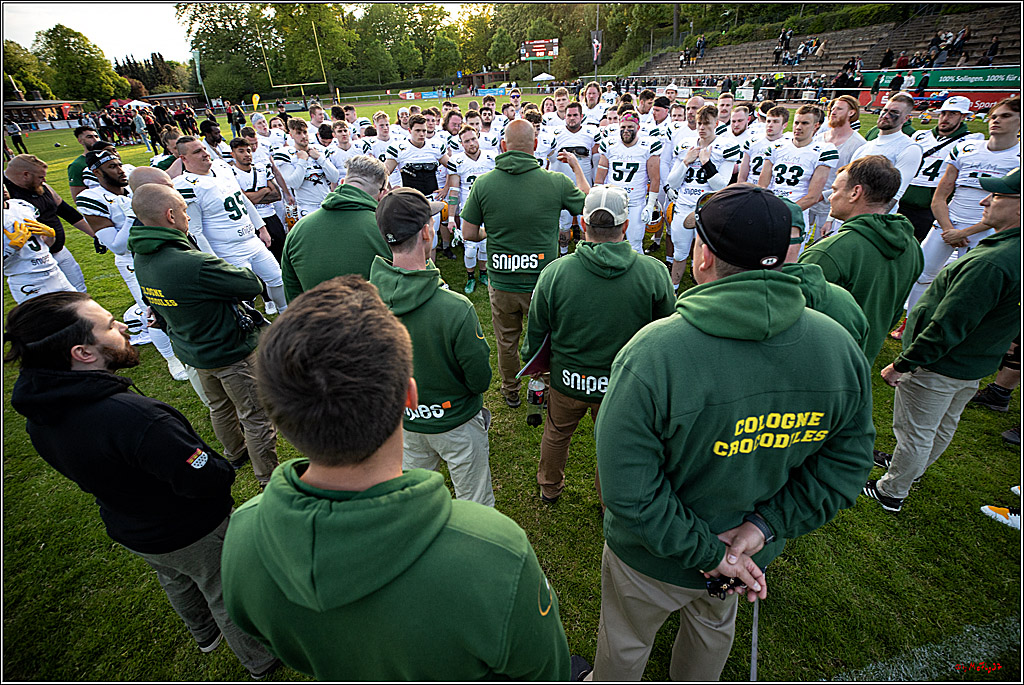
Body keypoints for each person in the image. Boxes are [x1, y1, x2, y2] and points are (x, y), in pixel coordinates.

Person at [219, 275, 572, 680]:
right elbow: (548, 670)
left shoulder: (241, 537)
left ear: (277, 416)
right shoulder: (496, 553)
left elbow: (273, 640)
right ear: (409, 396)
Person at [591, 185, 874, 680]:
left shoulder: (654, 353)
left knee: (626, 641)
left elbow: (628, 490)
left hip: (652, 557)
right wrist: (761, 529)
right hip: (748, 552)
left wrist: (711, 552)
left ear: (703, 256)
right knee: (712, 631)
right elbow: (847, 465)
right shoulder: (838, 346)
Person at [5, 291, 279, 681]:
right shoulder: (137, 419)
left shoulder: (41, 412)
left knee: (176, 580)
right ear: (82, 353)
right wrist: (220, 469)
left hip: (133, 529)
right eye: (108, 325)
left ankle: (205, 635)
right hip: (192, 530)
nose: (123, 326)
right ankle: (260, 660)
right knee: (224, 589)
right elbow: (204, 477)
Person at [867, 169, 1020, 513]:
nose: (984, 201)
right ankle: (911, 470)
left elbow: (948, 324)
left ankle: (892, 491)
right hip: (973, 362)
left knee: (916, 431)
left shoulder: (993, 262)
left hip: (941, 362)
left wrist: (903, 363)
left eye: (997, 196)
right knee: (942, 425)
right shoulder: (1010, 251)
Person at [523, 186, 674, 504]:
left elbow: (537, 331)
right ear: (626, 225)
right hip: (624, 385)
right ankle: (609, 502)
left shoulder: (555, 273)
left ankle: (549, 487)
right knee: (615, 445)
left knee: (557, 433)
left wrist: (536, 368)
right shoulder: (654, 272)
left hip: (568, 380)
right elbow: (666, 333)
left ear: (582, 223)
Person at [129, 183, 281, 489]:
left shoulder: (142, 257)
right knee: (256, 415)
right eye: (184, 211)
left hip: (193, 349)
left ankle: (235, 453)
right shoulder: (192, 263)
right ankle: (269, 478)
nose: (187, 217)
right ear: (170, 215)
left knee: (219, 407)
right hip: (229, 350)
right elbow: (250, 284)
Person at [368, 187, 494, 506]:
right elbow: (479, 379)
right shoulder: (455, 308)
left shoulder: (365, 301)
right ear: (427, 233)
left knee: (416, 502)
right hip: (457, 422)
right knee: (475, 505)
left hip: (405, 422)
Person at [460, 120, 588, 408]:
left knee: (506, 340)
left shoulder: (484, 183)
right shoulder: (556, 181)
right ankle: (544, 386)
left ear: (503, 146)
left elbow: (468, 233)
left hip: (502, 280)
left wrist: (490, 232)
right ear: (535, 145)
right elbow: (587, 204)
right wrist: (577, 168)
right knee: (546, 338)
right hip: (542, 283)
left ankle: (510, 389)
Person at [799, 155, 923, 362]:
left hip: (821, 360)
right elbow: (893, 312)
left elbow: (793, 314)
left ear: (855, 193)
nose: (830, 197)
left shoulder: (829, 252)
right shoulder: (912, 246)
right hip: (864, 357)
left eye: (836, 190)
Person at [903, 96, 1020, 317]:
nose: (996, 121)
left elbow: (1012, 211)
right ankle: (911, 319)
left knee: (966, 285)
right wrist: (949, 228)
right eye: (994, 116)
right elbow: (940, 195)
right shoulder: (967, 148)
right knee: (921, 273)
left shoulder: (1017, 157)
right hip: (948, 223)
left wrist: (965, 232)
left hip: (986, 230)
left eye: (1006, 116)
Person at [75, 150, 187, 379]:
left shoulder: (133, 185)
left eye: (118, 164)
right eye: (111, 167)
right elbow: (117, 246)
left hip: (166, 251)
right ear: (97, 173)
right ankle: (171, 359)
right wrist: (130, 217)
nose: (119, 170)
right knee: (155, 310)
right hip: (134, 261)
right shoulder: (93, 198)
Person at [172, 136, 288, 314]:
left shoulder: (222, 168)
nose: (205, 153)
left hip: (251, 239)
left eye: (204, 149)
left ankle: (285, 311)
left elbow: (243, 200)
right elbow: (196, 231)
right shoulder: (187, 184)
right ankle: (250, 323)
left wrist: (261, 227)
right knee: (244, 294)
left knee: (276, 278)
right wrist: (213, 260)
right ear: (184, 158)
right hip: (227, 248)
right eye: (197, 152)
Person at [280, 155, 392, 301]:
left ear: (342, 182)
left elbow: (292, 292)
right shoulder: (388, 229)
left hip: (314, 314)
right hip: (373, 314)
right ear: (382, 194)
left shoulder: (298, 230)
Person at [898, 96, 985, 242]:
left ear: (963, 116)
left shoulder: (971, 141)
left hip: (933, 201)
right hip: (906, 194)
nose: (945, 118)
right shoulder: (920, 135)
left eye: (953, 114)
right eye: (943, 113)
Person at [4, 154, 91, 293]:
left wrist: (95, 235)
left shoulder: (41, 187)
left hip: (58, 249)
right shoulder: (7, 194)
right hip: (30, 264)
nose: (44, 180)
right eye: (40, 177)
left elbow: (67, 212)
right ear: (26, 175)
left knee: (79, 291)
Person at [758, 105, 838, 246]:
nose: (799, 127)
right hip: (771, 209)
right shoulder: (777, 147)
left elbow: (813, 197)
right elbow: (762, 185)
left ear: (816, 126)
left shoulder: (823, 150)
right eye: (796, 123)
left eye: (805, 123)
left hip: (796, 214)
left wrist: (784, 212)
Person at [444, 125, 496, 294]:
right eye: (466, 141)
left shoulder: (491, 157)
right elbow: (454, 191)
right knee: (470, 248)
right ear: (461, 143)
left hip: (489, 208)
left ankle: (483, 273)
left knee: (485, 245)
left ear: (478, 137)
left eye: (473, 139)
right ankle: (471, 277)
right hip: (469, 210)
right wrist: (451, 218)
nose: (471, 143)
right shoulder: (456, 161)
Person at [849, 93, 923, 209]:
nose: (886, 115)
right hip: (849, 210)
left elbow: (896, 193)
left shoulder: (910, 148)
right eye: (885, 110)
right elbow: (848, 182)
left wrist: (873, 216)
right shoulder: (865, 147)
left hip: (872, 215)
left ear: (906, 118)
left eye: (894, 112)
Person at [808, 96, 866, 240]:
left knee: (822, 243)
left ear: (851, 112)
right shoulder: (818, 138)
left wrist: (830, 215)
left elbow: (852, 180)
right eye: (832, 108)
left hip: (833, 204)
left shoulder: (859, 144)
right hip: (809, 199)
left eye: (839, 109)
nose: (833, 112)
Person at [3, 185, 72, 303]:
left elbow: (44, 245)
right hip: (26, 280)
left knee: (82, 311)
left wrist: (50, 236)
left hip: (54, 272)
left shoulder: (21, 205)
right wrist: (11, 248)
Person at [228, 137, 286, 266]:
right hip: (251, 222)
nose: (247, 154)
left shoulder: (261, 169)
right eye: (241, 151)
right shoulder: (230, 174)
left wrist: (251, 196)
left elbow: (277, 195)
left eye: (248, 151)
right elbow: (243, 200)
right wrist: (264, 190)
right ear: (233, 154)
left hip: (271, 216)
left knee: (281, 255)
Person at [275, 118, 341, 218]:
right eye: (298, 133)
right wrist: (302, 160)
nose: (303, 136)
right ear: (291, 135)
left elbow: (334, 177)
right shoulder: (286, 154)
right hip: (307, 207)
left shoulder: (319, 150)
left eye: (305, 132)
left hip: (326, 203)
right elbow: (295, 183)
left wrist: (319, 158)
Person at [67, 125, 101, 198]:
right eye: (89, 137)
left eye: (96, 136)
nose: (95, 140)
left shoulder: (109, 158)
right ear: (80, 141)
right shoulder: (76, 165)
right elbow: (78, 196)